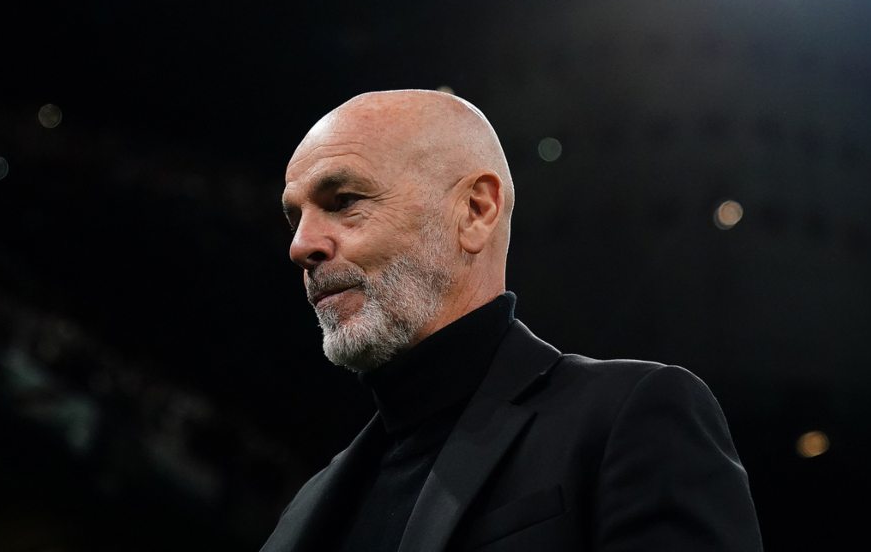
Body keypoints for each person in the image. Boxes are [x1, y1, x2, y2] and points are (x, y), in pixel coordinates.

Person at [263, 89, 763, 551]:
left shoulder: (629, 418)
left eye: (344, 201)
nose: (300, 246)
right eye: (295, 218)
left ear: (475, 210)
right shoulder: (306, 507)